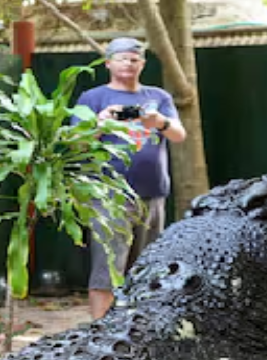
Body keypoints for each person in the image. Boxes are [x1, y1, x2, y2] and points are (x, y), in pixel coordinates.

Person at [76, 37, 187, 320]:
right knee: (108, 270)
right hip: (109, 196)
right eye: (122, 58)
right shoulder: (92, 97)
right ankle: (101, 336)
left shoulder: (159, 97)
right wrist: (101, 123)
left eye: (134, 59)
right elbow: (76, 143)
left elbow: (179, 134)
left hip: (153, 194)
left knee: (150, 269)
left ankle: (139, 334)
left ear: (143, 64)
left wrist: (157, 121)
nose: (128, 63)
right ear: (108, 63)